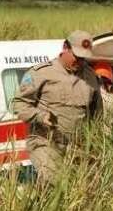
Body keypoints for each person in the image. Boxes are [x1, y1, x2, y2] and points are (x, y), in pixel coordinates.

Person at [13, 30, 101, 184]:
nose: (79, 62)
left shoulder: (89, 75)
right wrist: (39, 116)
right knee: (57, 182)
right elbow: (19, 104)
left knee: (83, 186)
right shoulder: (41, 73)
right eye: (76, 57)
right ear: (65, 48)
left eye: (83, 58)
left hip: (76, 146)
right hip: (45, 142)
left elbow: (96, 111)